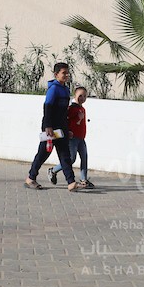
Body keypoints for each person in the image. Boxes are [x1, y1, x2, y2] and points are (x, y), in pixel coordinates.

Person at [25, 62, 85, 191]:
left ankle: (71, 182)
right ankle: (30, 178)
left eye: (67, 73)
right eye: (64, 73)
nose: (66, 75)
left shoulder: (66, 89)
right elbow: (47, 107)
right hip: (50, 127)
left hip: (61, 127)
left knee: (65, 155)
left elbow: (64, 112)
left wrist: (67, 128)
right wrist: (48, 126)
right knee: (43, 153)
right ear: (56, 74)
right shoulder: (53, 89)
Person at [49, 86, 93, 188]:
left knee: (84, 158)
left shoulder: (82, 109)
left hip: (81, 138)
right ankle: (53, 170)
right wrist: (77, 121)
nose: (82, 98)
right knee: (71, 159)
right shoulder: (72, 108)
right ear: (75, 95)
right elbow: (67, 121)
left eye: (84, 96)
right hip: (73, 138)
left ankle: (83, 179)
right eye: (80, 96)